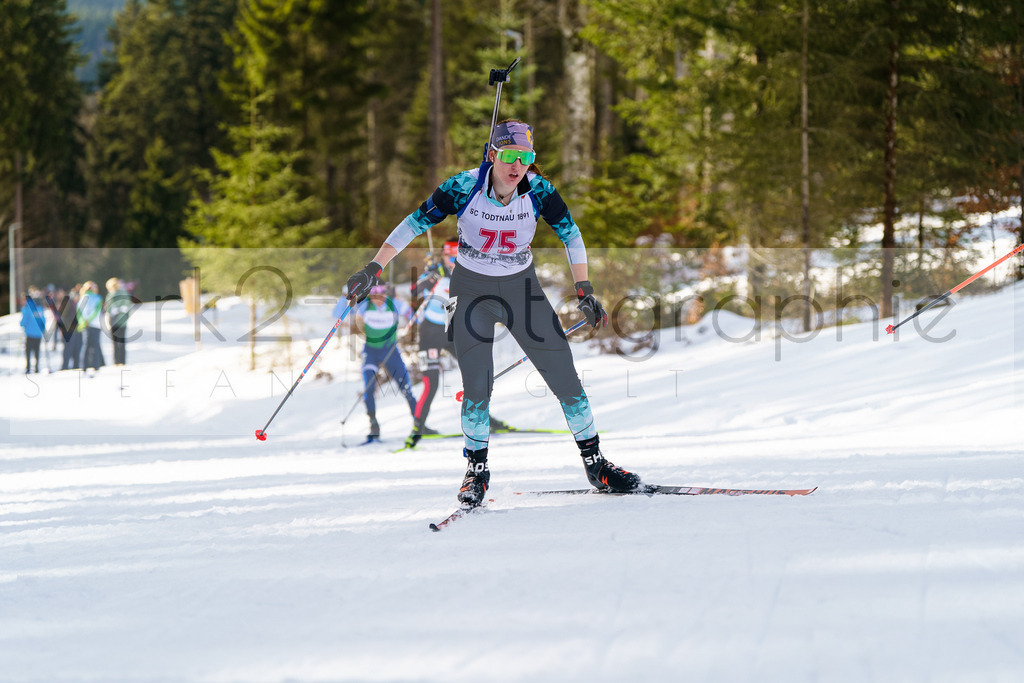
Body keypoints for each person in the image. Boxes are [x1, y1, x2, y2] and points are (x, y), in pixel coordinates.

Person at [346, 119, 641, 505]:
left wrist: (584, 289)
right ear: (492, 155)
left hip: (522, 288)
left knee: (566, 379)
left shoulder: (538, 191)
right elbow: (413, 223)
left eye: (526, 158)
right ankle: (476, 472)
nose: (517, 166)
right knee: (477, 386)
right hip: (470, 291)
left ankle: (596, 464)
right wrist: (374, 267)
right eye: (510, 156)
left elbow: (571, 233)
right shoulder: (462, 187)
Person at [406, 237, 511, 448]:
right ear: (444, 256)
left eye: (457, 256)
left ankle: (486, 420)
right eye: (450, 257)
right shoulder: (435, 272)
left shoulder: (467, 273)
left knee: (475, 374)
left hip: (452, 332)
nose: (453, 261)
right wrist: (430, 278)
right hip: (430, 334)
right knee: (432, 383)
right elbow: (414, 291)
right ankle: (418, 429)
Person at [337, 283, 418, 442]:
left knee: (405, 387)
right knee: (369, 387)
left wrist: (412, 321)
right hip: (371, 351)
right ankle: (374, 427)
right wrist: (345, 295)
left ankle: (419, 423)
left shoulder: (394, 304)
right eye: (374, 293)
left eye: (382, 292)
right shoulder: (365, 305)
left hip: (390, 351)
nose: (378, 297)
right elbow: (339, 313)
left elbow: (416, 316)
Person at [77, 281, 105, 374]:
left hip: (85, 325)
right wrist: (89, 320)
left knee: (85, 346)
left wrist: (83, 322)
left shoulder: (82, 298)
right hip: (95, 324)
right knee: (95, 346)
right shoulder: (98, 298)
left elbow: (79, 313)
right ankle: (96, 366)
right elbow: (97, 311)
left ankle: (83, 366)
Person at [105, 277, 132, 365]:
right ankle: (121, 361)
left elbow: (109, 309)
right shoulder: (124, 293)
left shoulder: (112, 295)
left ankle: (117, 361)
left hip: (114, 321)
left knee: (115, 343)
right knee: (121, 343)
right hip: (122, 322)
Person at [20, 287, 46, 374]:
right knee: (36, 351)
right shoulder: (40, 309)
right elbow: (43, 321)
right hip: (38, 334)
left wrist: (22, 324)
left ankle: (28, 368)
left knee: (28, 351)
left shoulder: (28, 308)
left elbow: (24, 321)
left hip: (30, 333)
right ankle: (36, 368)